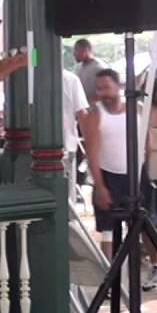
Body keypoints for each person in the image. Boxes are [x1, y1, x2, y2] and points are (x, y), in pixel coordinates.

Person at [82, 68, 157, 289]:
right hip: (109, 175)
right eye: (99, 88)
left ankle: (155, 266)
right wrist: (100, 185)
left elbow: (147, 142)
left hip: (137, 174)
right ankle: (112, 277)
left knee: (147, 224)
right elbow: (92, 153)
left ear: (118, 86)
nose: (103, 92)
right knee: (108, 228)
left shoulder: (138, 109)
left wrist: (145, 169)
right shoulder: (95, 114)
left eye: (106, 87)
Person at [61, 68, 91, 208]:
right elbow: (82, 114)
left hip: (64, 148)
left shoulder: (30, 76)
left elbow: (82, 114)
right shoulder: (70, 79)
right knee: (67, 198)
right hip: (66, 147)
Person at [74, 39, 105, 107]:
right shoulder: (78, 67)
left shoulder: (99, 68)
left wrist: (86, 102)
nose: (74, 54)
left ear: (86, 50)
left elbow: (105, 92)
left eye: (76, 50)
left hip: (96, 110)